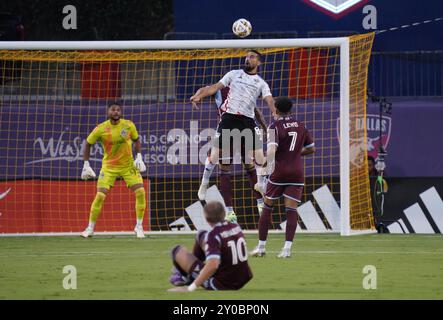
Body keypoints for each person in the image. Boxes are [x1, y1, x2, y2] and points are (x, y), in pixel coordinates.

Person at [191, 50, 276, 223]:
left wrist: (271, 116)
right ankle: (209, 188)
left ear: (258, 62)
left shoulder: (259, 83)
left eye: (252, 57)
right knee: (218, 160)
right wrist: (198, 95)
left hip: (247, 123)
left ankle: (261, 197)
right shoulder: (231, 77)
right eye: (246, 56)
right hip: (229, 121)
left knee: (257, 160)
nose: (247, 59)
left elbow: (263, 104)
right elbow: (210, 88)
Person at [251, 97, 315, 258]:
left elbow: (272, 151)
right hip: (297, 172)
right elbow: (312, 149)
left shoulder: (274, 126)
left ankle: (261, 248)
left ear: (276, 111)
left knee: (267, 207)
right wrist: (292, 154)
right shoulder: (302, 125)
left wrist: (265, 165)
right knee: (291, 210)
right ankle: (287, 250)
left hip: (279, 172)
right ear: (291, 111)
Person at [80, 102, 147, 238]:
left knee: (140, 192)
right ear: (108, 112)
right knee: (100, 196)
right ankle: (90, 228)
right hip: (109, 167)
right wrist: (86, 165)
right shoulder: (101, 128)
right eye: (113, 110)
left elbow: (136, 140)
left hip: (128, 166)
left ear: (120, 112)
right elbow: (88, 143)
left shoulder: (128, 125)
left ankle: (139, 227)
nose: (115, 112)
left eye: (118, 110)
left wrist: (139, 157)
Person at [198, 86, 269, 216]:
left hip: (245, 128)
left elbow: (255, 110)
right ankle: (229, 211)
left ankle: (260, 202)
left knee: (252, 164)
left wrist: (264, 126)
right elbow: (204, 89)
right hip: (228, 128)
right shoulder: (220, 89)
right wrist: (197, 97)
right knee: (224, 167)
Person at [168, 201, 253, 292]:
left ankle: (186, 277)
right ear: (224, 214)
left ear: (206, 218)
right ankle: (188, 275)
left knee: (176, 251)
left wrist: (190, 288)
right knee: (201, 235)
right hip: (243, 277)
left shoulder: (213, 235)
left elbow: (213, 265)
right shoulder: (235, 226)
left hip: (222, 284)